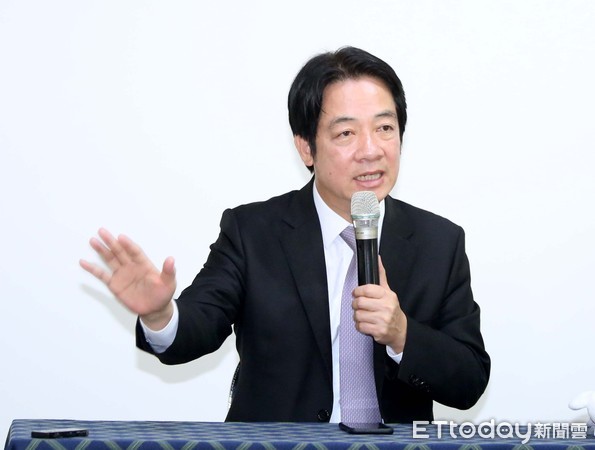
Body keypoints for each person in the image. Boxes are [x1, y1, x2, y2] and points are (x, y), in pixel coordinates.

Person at [80, 46, 490, 423]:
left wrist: (401, 333)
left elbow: (469, 380)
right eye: (346, 133)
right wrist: (159, 315)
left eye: (385, 127)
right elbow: (200, 325)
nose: (371, 150)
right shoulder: (253, 232)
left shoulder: (439, 242)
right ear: (306, 148)